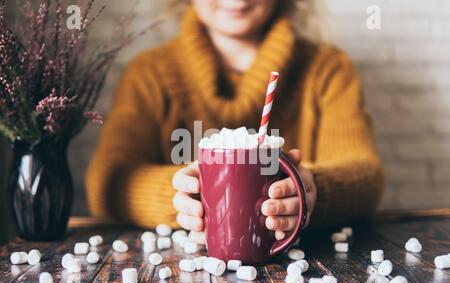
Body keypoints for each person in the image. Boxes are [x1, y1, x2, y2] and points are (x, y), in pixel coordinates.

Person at [86, 0, 384, 241]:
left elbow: (365, 174)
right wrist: (180, 198)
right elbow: (107, 181)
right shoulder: (147, 75)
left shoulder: (328, 71)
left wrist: (312, 191)